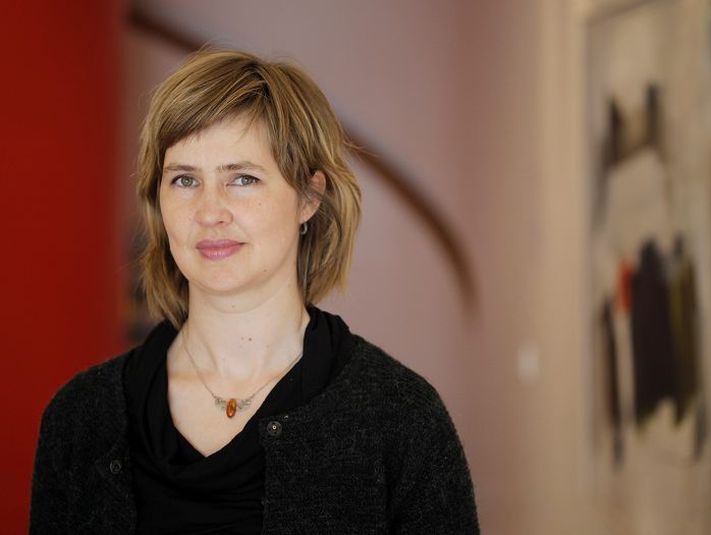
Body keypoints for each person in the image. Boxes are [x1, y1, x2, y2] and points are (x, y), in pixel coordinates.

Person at [30, 48, 479, 534]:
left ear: (309, 197)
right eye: (184, 180)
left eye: (242, 179)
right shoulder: (81, 417)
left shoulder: (400, 417)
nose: (209, 212)